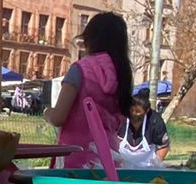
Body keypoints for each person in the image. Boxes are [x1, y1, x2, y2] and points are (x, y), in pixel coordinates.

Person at [44, 12, 132, 170]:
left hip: (75, 160)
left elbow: (58, 118)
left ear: (90, 39)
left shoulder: (81, 69)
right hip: (109, 158)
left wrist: (47, 112)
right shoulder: (123, 73)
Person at [125, 90, 172, 162]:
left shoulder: (155, 121)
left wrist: (156, 164)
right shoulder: (121, 119)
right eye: (131, 110)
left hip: (147, 166)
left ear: (147, 111)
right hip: (122, 166)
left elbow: (163, 146)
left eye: (137, 112)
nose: (133, 114)